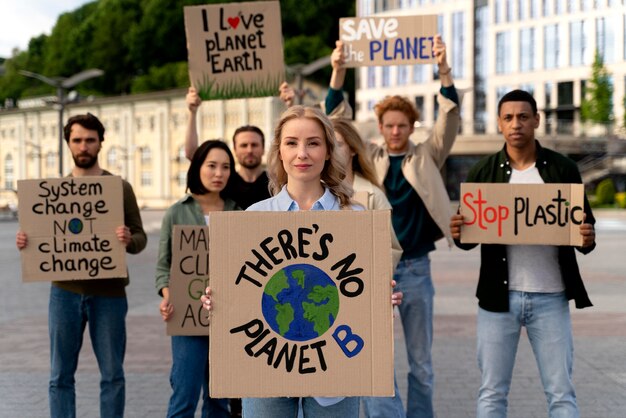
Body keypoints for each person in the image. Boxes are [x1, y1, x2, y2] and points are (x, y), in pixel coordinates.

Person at [201, 106, 402, 417]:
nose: (302, 153)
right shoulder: (255, 217)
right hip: (266, 369)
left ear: (327, 151)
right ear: (279, 151)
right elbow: (241, 293)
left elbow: (364, 296)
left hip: (336, 371)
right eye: (292, 143)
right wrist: (219, 302)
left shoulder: (357, 219)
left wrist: (381, 299)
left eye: (313, 142)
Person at [324, 35, 460, 418]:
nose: (396, 132)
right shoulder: (371, 157)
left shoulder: (427, 154)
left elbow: (449, 118)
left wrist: (443, 69)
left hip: (415, 268)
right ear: (380, 128)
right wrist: (338, 71)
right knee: (376, 355)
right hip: (373, 270)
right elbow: (336, 121)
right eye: (389, 126)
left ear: (412, 126)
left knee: (421, 363)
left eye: (402, 125)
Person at [449, 89, 596, 418]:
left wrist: (587, 237)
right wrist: (459, 232)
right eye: (508, 117)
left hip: (552, 297)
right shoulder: (483, 173)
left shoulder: (563, 170)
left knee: (561, 393)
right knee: (491, 392)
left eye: (523, 117)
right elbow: (469, 239)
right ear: (500, 124)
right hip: (497, 300)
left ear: (536, 121)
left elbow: (585, 231)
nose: (516, 124)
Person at [16, 113, 147, 418]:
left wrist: (128, 239)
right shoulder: (51, 192)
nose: (83, 146)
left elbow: (141, 238)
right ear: (68, 144)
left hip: (110, 295)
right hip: (64, 293)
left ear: (101, 143)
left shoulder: (119, 188)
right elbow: (40, 240)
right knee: (60, 375)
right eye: (77, 140)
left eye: (90, 139)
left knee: (113, 374)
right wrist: (27, 241)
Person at [155, 140, 239, 418]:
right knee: (184, 396)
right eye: (212, 166)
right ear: (197, 168)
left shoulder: (239, 213)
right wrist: (168, 296)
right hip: (188, 318)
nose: (219, 173)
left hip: (228, 319)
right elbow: (164, 266)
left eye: (226, 167)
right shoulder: (176, 211)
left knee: (219, 400)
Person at [185, 87, 271, 209]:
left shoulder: (274, 184)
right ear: (235, 149)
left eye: (254, 145)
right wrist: (192, 113)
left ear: (263, 148)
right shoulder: (226, 181)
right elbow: (192, 154)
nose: (249, 150)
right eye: (244, 145)